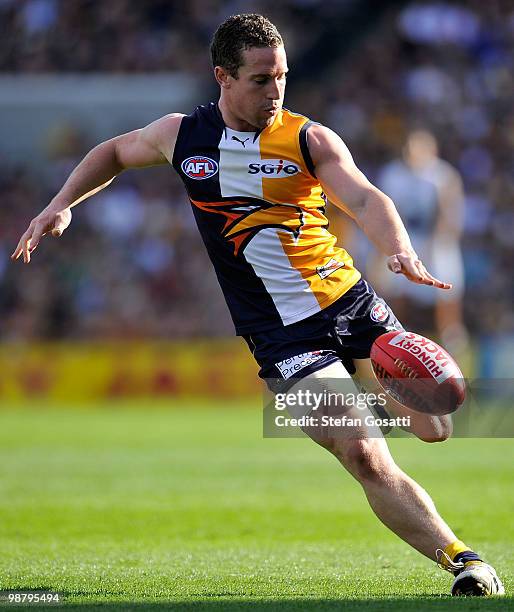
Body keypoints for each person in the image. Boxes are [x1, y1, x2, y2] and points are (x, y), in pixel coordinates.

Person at [12, 14, 503, 597]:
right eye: (261, 79)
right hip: (281, 337)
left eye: (283, 77)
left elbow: (366, 197)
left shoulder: (308, 139)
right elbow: (115, 152)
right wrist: (60, 204)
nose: (276, 92)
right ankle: (466, 562)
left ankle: (382, 387)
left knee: (435, 427)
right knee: (365, 455)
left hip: (351, 304)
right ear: (222, 76)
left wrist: (397, 249)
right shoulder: (182, 136)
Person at [373, 130, 468, 357]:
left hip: (437, 241)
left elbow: (449, 215)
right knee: (393, 293)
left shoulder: (443, 175)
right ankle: (396, 346)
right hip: (403, 239)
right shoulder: (392, 174)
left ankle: (453, 346)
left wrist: (431, 246)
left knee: (447, 296)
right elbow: (386, 212)